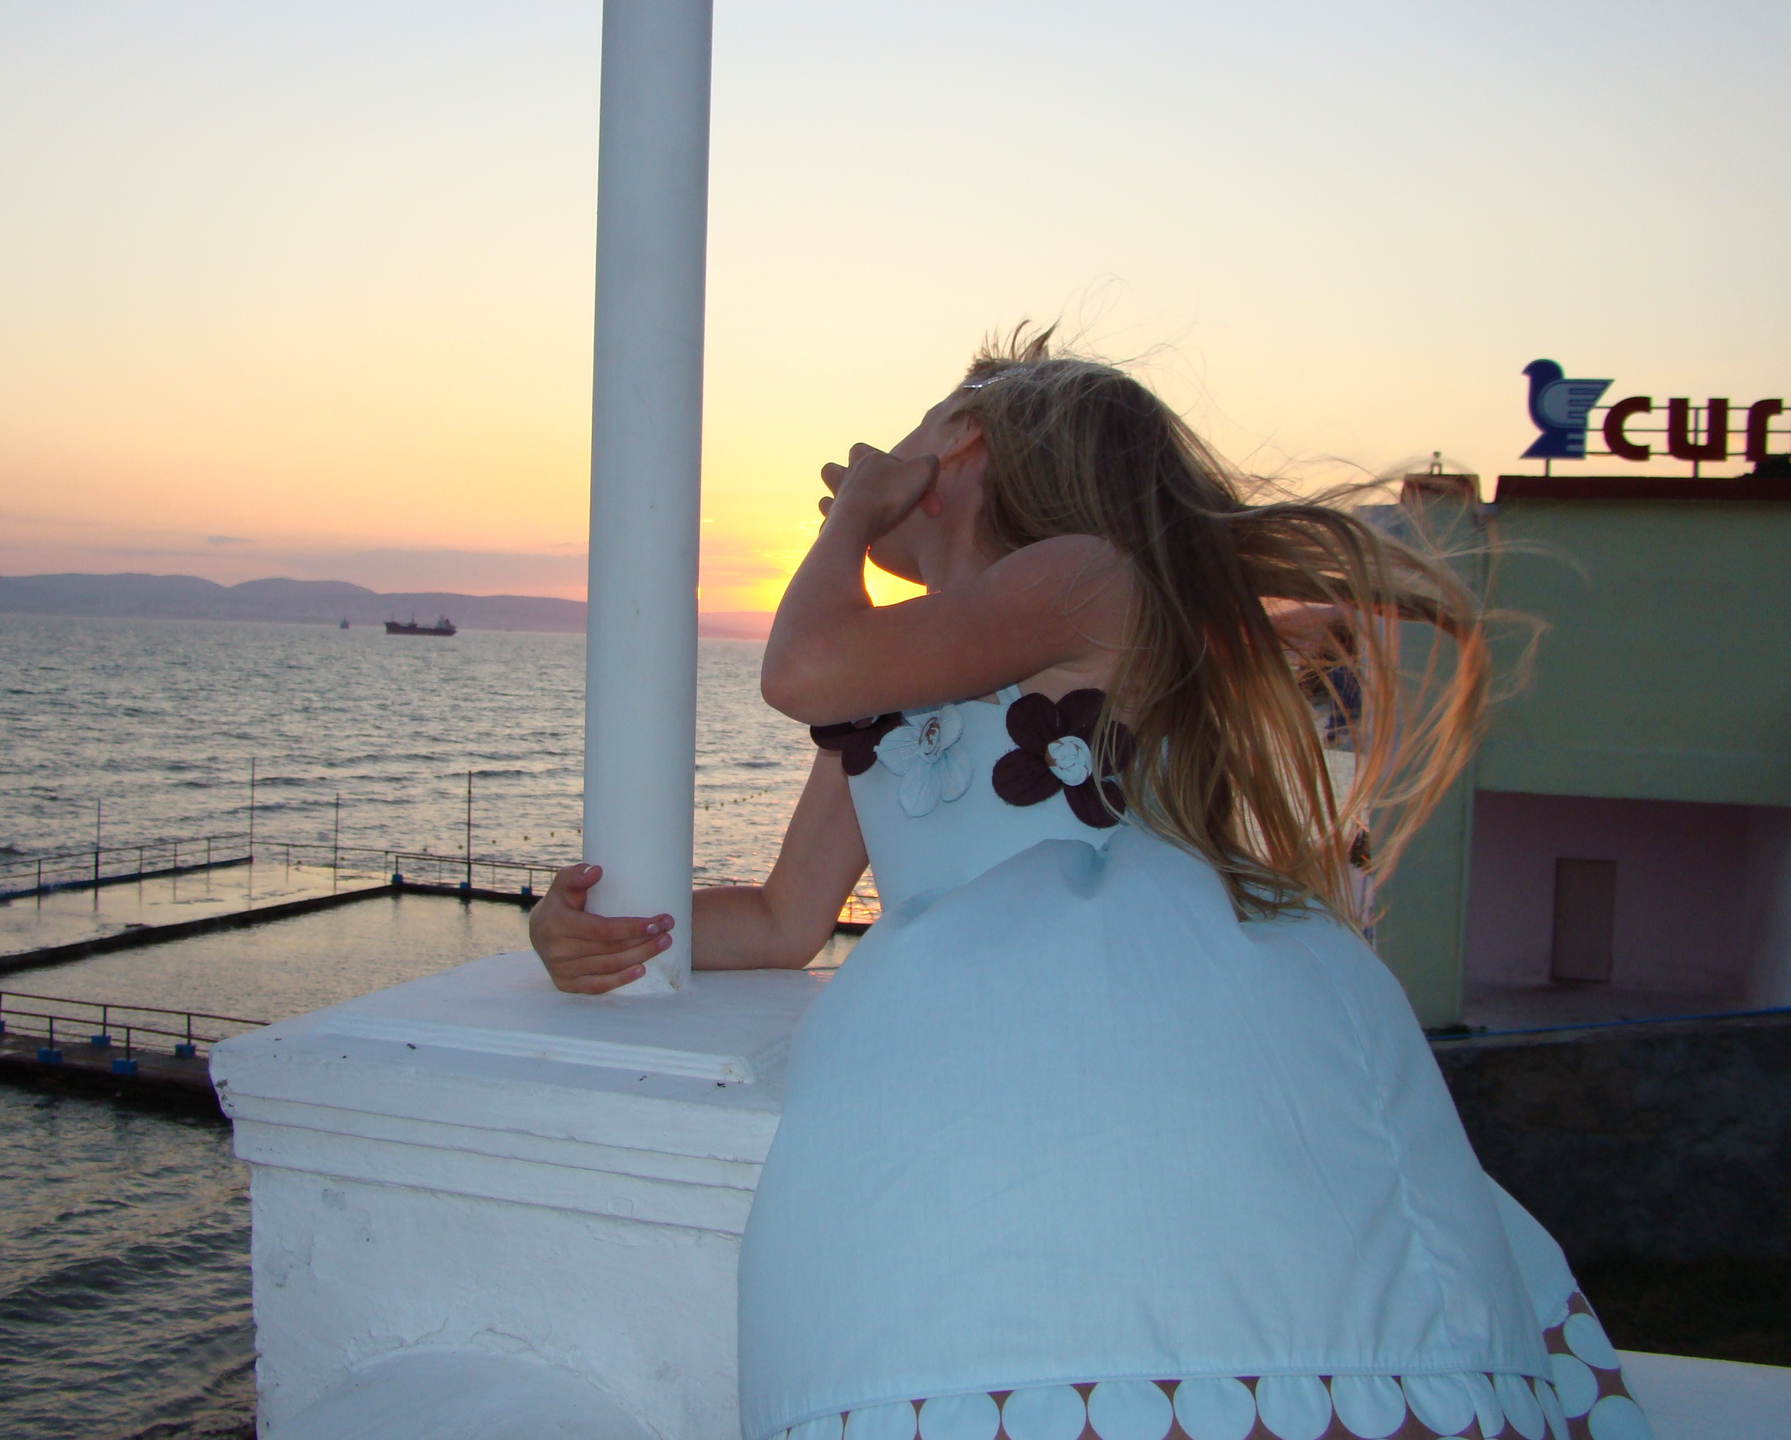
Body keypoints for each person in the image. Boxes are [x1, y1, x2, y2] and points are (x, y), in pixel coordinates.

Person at [533, 332, 1653, 1440]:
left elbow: (798, 667)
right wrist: (599, 929)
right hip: (991, 1055)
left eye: (918, 430)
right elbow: (785, 920)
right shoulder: (892, 684)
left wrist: (853, 516)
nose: (881, 452)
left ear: (964, 452)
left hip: (1137, 1003)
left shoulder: (1081, 576)